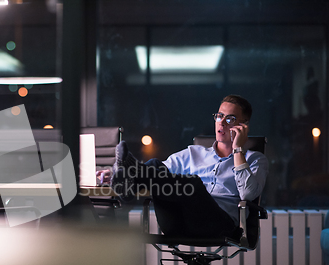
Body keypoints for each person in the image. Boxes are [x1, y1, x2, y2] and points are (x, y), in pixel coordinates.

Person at [107, 95, 268, 239]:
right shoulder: (193, 153)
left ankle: (131, 173)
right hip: (178, 222)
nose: (221, 122)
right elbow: (155, 172)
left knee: (193, 184)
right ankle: (128, 180)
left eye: (230, 119)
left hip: (220, 226)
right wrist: (109, 174)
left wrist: (237, 149)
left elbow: (247, 194)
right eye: (219, 116)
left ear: (243, 126)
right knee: (156, 165)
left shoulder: (255, 159)